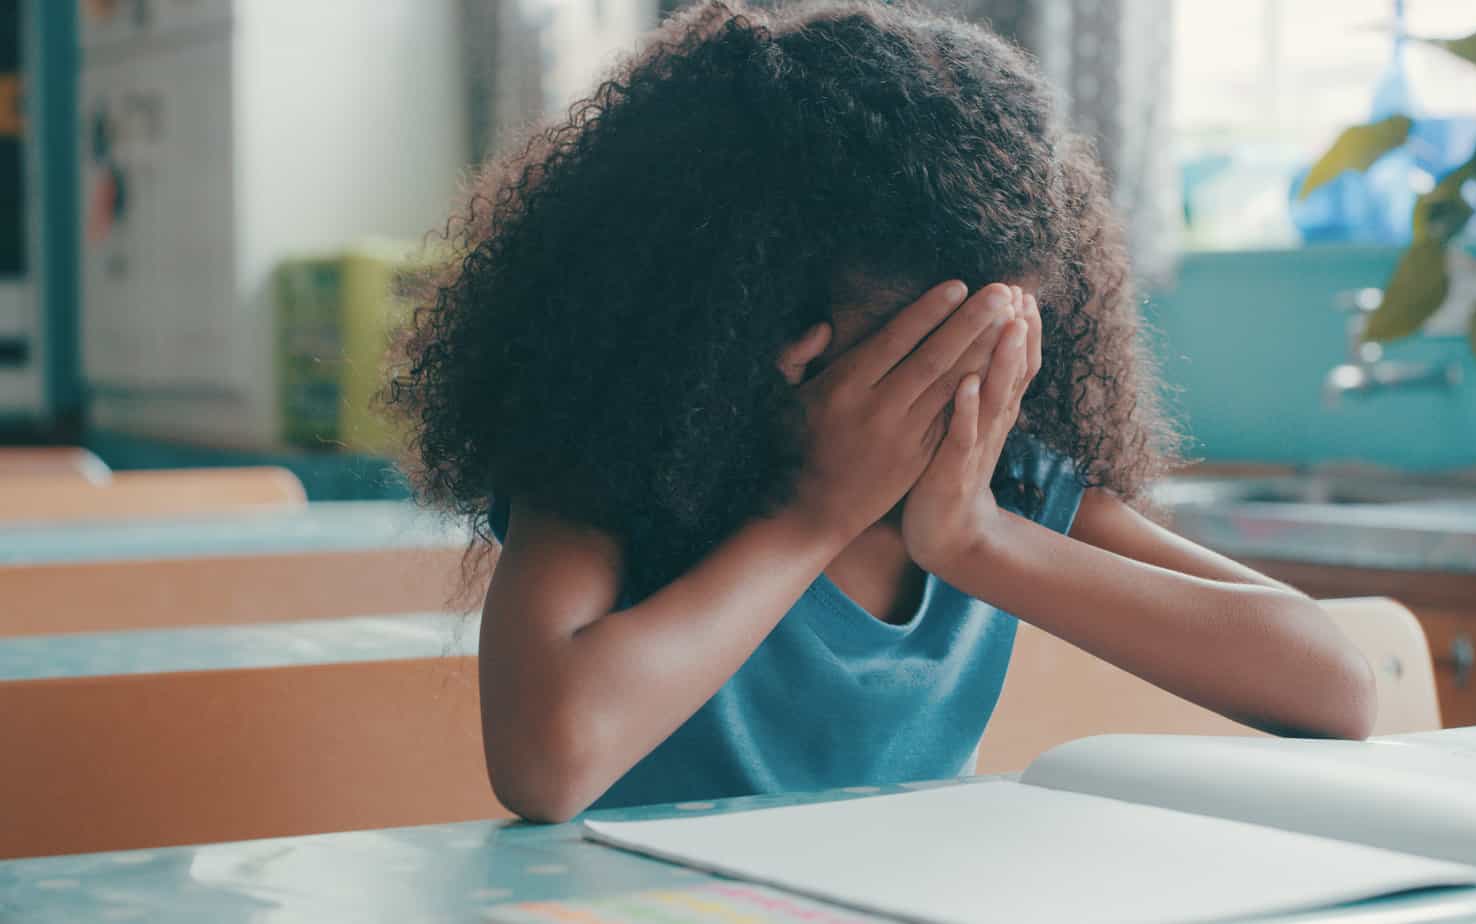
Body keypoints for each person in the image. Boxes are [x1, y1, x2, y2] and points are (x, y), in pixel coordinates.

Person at [386, 0, 1375, 823]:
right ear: (773, 326)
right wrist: (812, 517)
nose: (964, 396)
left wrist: (978, 540)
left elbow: (1334, 685)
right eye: (921, 354)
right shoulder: (617, 460)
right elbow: (545, 767)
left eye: (997, 346)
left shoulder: (999, 476)